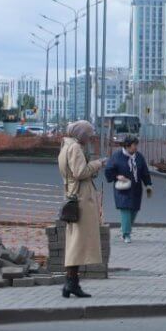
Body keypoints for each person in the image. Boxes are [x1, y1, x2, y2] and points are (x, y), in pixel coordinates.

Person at [57, 120, 108, 298]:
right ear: (81, 134)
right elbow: (80, 172)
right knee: (77, 243)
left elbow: (74, 173)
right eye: (89, 134)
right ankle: (71, 283)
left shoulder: (66, 146)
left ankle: (71, 282)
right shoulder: (75, 148)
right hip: (81, 198)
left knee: (75, 242)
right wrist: (98, 164)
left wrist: (90, 168)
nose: (90, 137)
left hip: (72, 195)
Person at [104, 135, 154, 243]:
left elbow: (144, 172)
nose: (136, 147)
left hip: (136, 188)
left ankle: (125, 228)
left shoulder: (139, 157)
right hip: (123, 188)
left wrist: (148, 185)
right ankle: (126, 234)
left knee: (134, 210)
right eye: (134, 145)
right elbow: (108, 170)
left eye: (136, 145)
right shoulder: (117, 156)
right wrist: (117, 176)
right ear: (127, 146)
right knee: (125, 209)